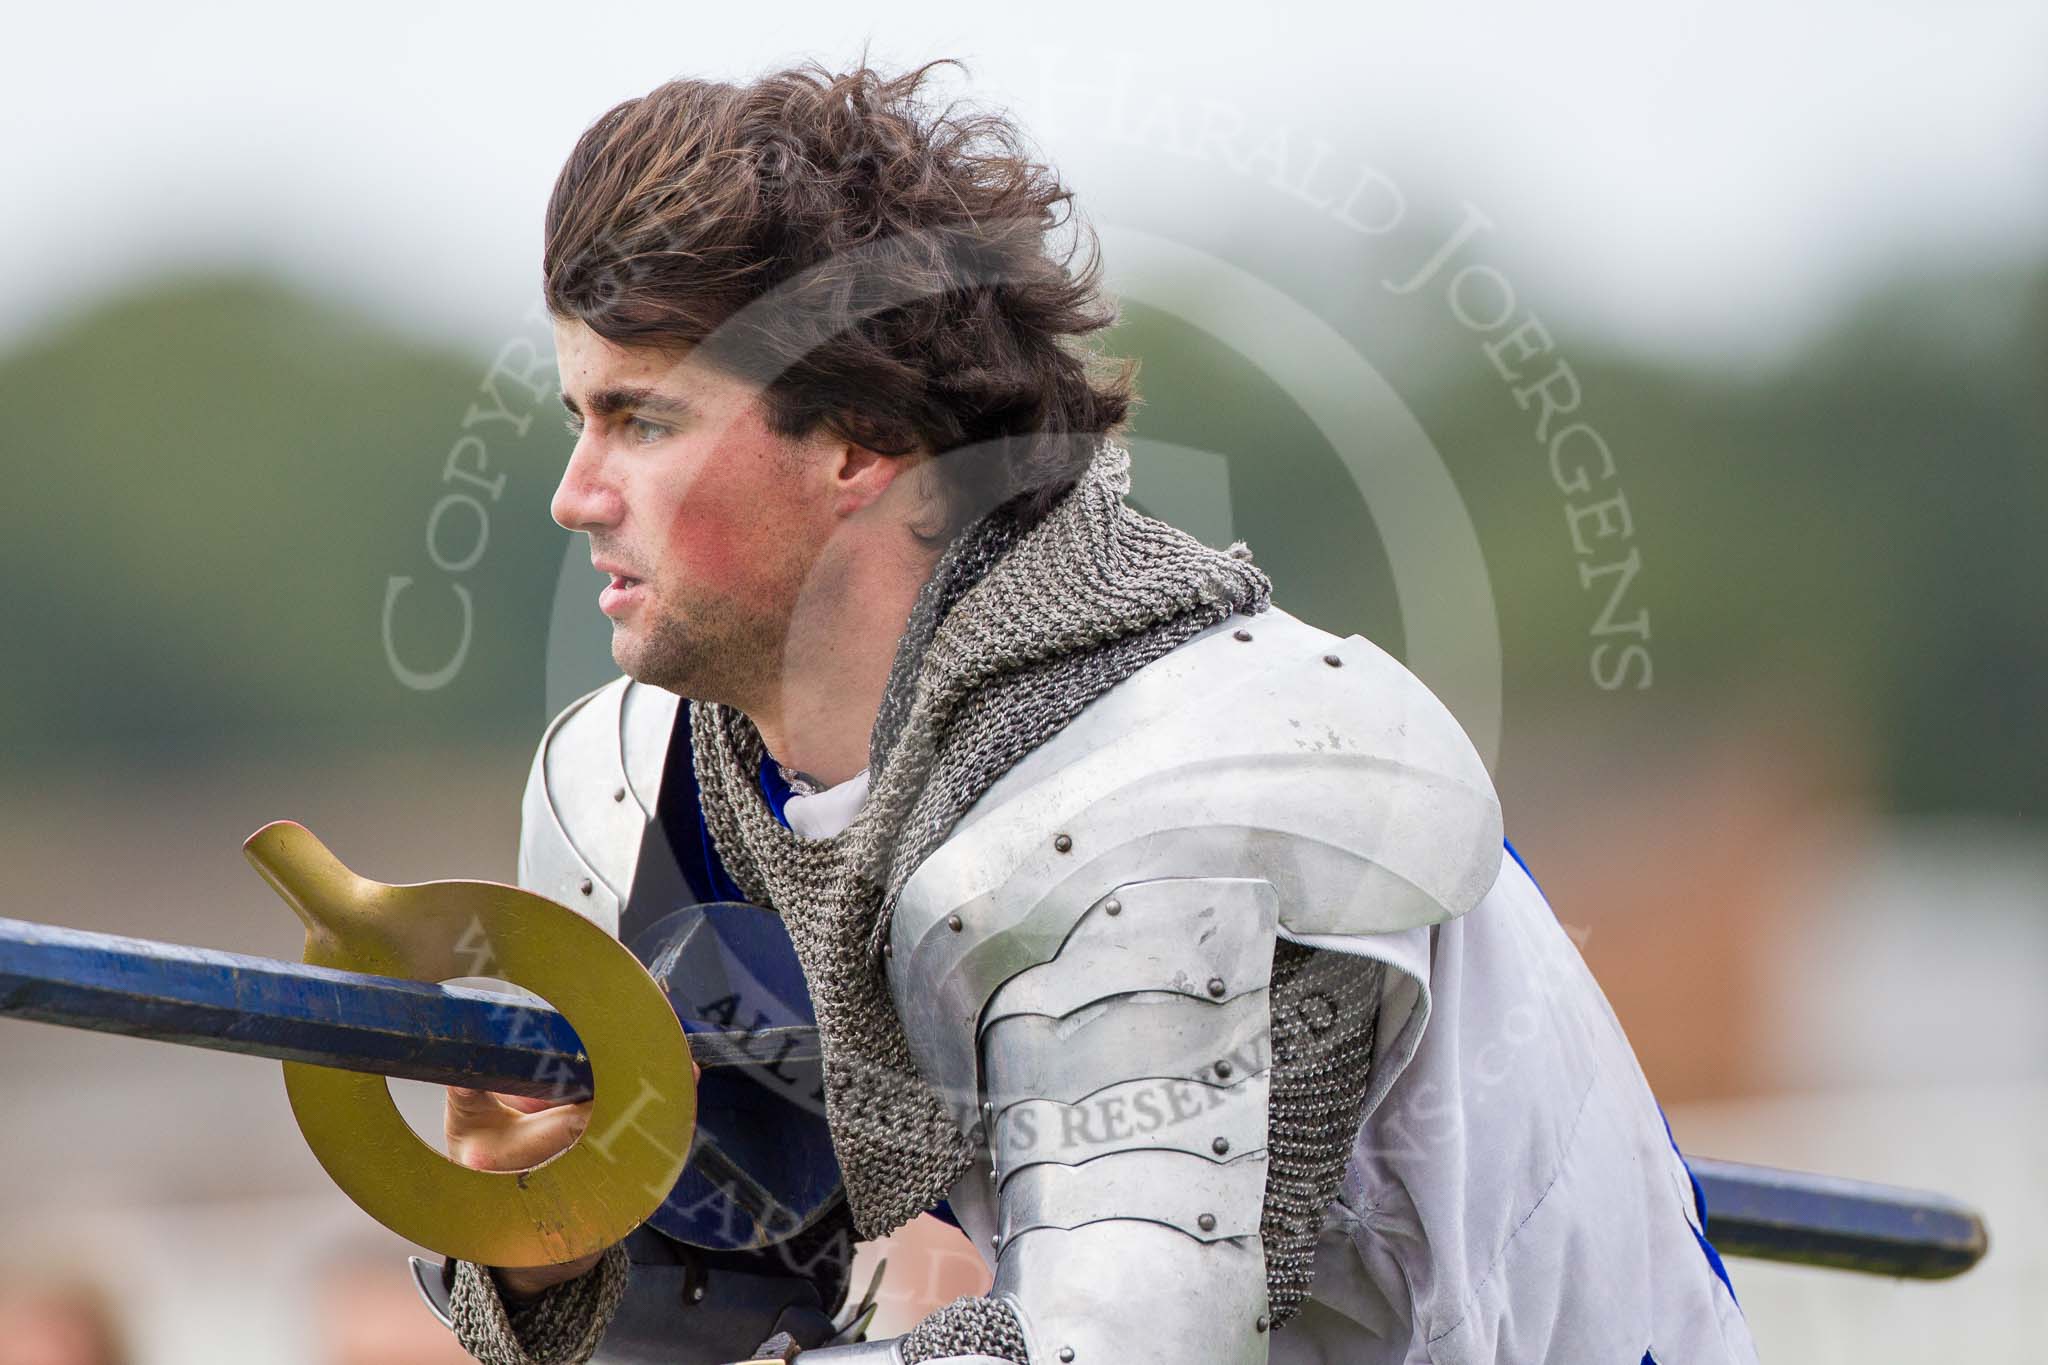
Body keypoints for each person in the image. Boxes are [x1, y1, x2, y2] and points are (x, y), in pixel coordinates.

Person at [413, 60, 1759, 1365]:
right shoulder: (646, 792)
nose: (575, 491)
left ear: (858, 446)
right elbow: (698, 1311)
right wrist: (549, 1237)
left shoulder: (1185, 776)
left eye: (642, 420)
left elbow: (1111, 1350)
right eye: (580, 417)